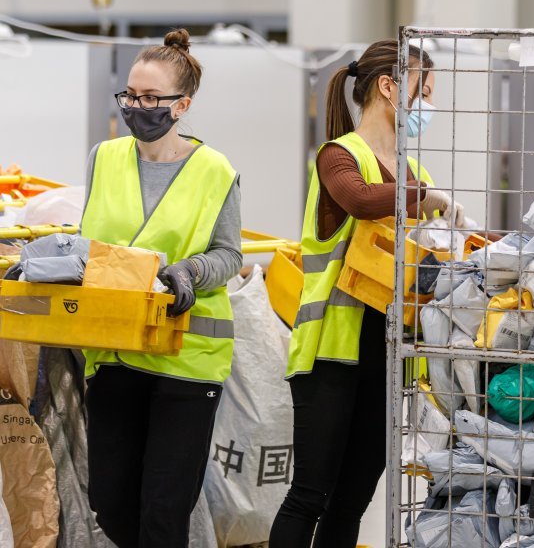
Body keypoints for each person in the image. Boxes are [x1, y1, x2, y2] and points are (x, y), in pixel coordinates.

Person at [270, 40, 464, 547]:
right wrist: (429, 200)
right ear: (389, 86)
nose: (427, 106)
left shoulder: (415, 173)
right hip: (331, 353)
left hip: (388, 357)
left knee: (353, 499)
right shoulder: (340, 156)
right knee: (310, 494)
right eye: (424, 92)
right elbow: (358, 199)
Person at [80, 28, 242, 547]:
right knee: (111, 502)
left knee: (164, 510)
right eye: (130, 94)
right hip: (115, 352)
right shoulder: (103, 158)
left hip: (186, 359)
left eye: (151, 97)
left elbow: (229, 255)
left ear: (182, 104)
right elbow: (90, 242)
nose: (136, 105)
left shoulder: (215, 171)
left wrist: (190, 272)